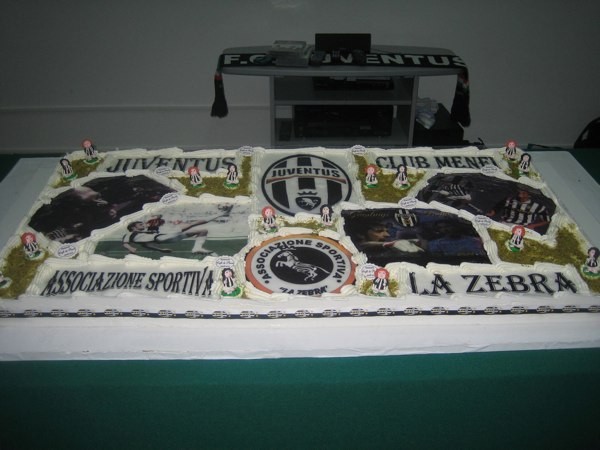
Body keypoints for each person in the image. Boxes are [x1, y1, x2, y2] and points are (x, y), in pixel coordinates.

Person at [122, 218, 215, 255]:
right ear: (133, 228)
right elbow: (125, 243)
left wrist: (161, 250)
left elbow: (147, 245)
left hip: (168, 238)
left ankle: (197, 248)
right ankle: (214, 216)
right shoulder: (130, 234)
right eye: (140, 224)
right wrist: (131, 248)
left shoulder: (142, 235)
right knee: (191, 224)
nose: (143, 225)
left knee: (203, 231)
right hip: (162, 238)